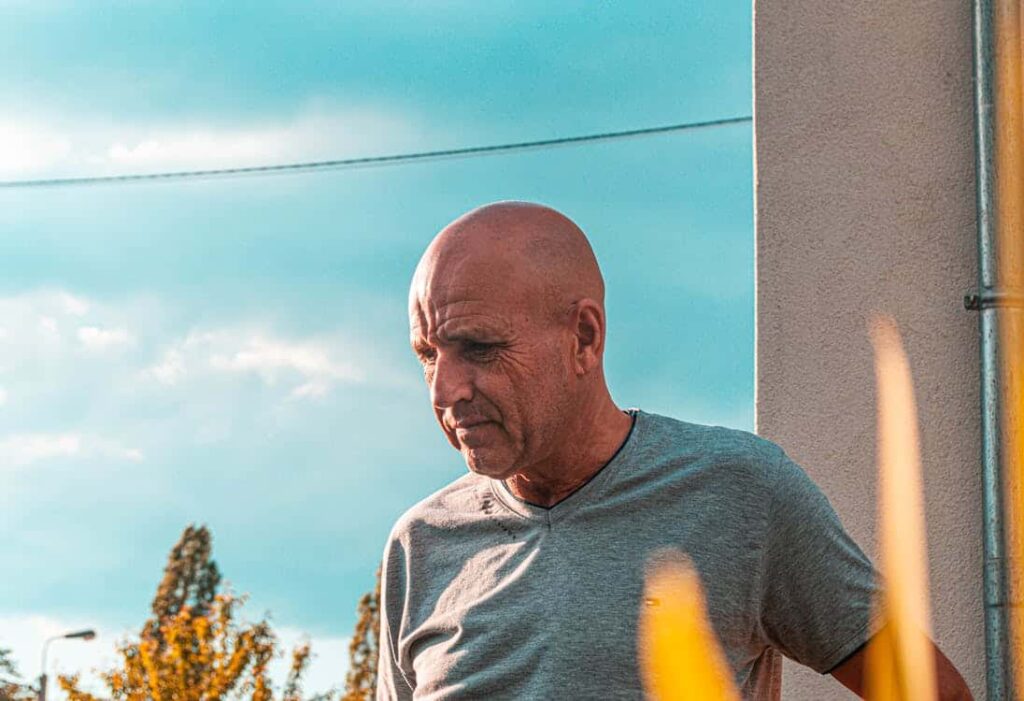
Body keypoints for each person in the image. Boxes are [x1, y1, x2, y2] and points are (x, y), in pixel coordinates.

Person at [377, 201, 971, 700]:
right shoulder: (420, 545)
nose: (444, 390)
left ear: (584, 337)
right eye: (427, 355)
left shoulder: (741, 493)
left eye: (479, 348)